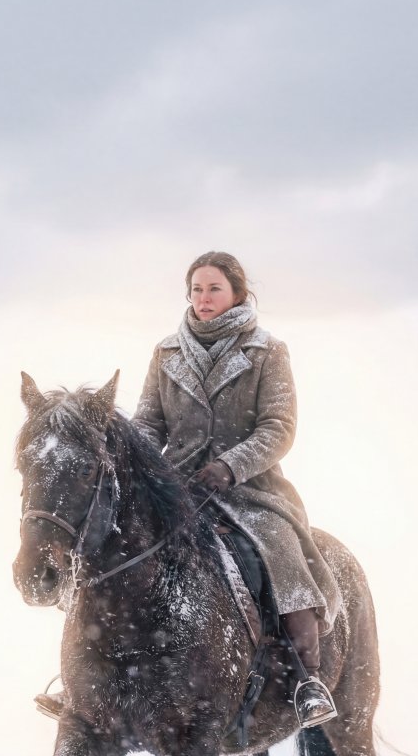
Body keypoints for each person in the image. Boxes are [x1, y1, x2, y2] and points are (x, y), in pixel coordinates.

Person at [134, 251, 342, 728]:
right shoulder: (165, 353)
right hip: (177, 487)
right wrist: (147, 466)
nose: (204, 299)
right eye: (197, 290)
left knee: (282, 553)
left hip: (251, 490)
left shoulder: (267, 351)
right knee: (119, 547)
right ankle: (93, 676)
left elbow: (278, 427)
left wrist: (229, 467)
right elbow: (148, 423)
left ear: (237, 294)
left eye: (214, 289)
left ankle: (308, 681)